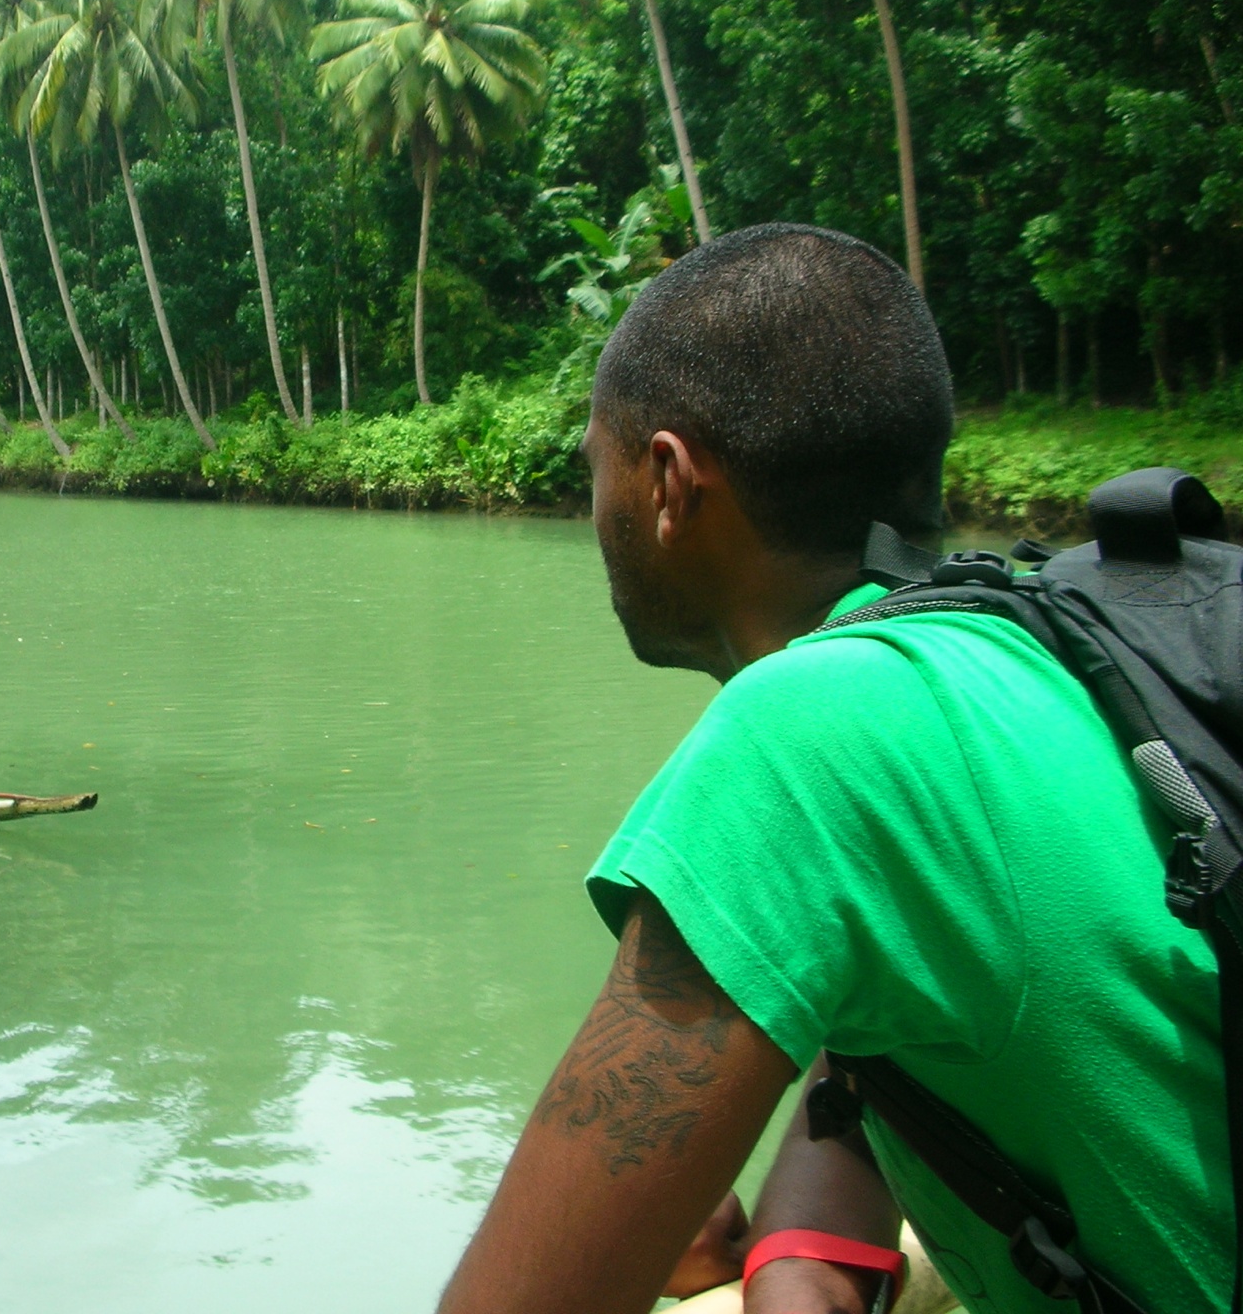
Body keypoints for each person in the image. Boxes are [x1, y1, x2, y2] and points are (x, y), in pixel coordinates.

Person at [437, 224, 1228, 1314]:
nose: (596, 517)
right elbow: (883, 1050)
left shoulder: (804, 736)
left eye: (596, 471)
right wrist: (791, 1260)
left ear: (665, 483)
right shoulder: (1027, 646)